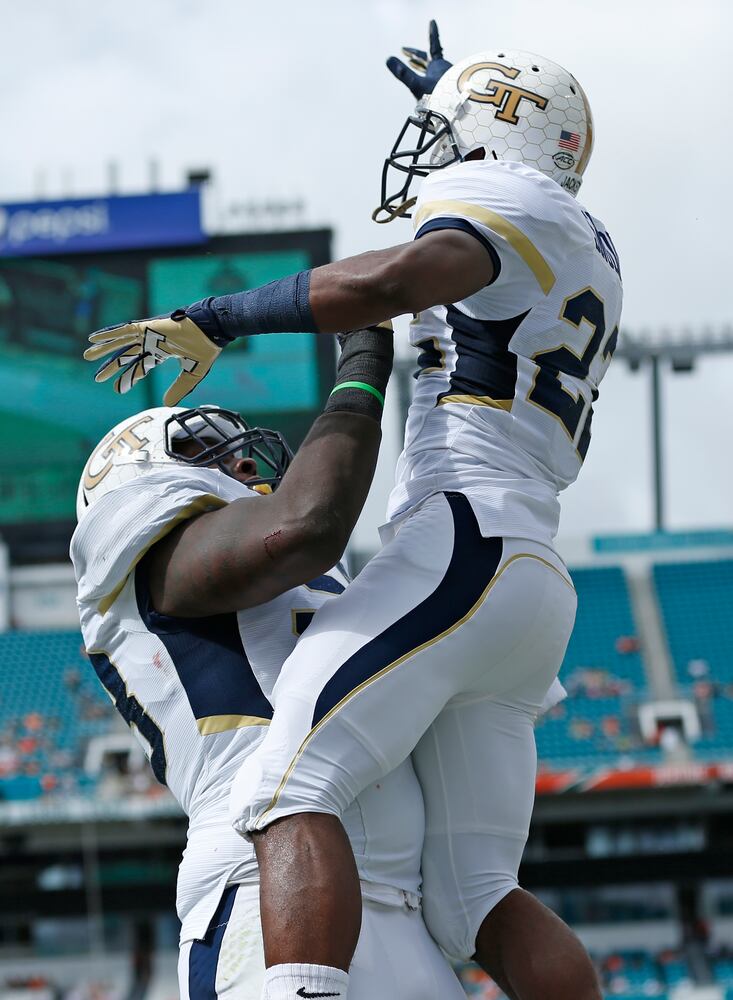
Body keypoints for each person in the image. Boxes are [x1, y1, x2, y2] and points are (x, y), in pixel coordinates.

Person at [85, 24, 618, 1000]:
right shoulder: (573, 234)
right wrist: (456, 93)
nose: (425, 154)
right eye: (213, 448)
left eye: (444, 133)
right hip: (523, 567)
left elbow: (387, 281)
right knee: (475, 894)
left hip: (463, 541)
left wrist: (217, 315)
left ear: (490, 142)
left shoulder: (505, 200)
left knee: (286, 782)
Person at [71, 326, 466, 999]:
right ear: (131, 476)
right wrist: (363, 358)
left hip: (400, 902)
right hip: (262, 887)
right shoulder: (157, 559)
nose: (241, 463)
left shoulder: (298, 571)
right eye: (201, 448)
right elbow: (305, 525)